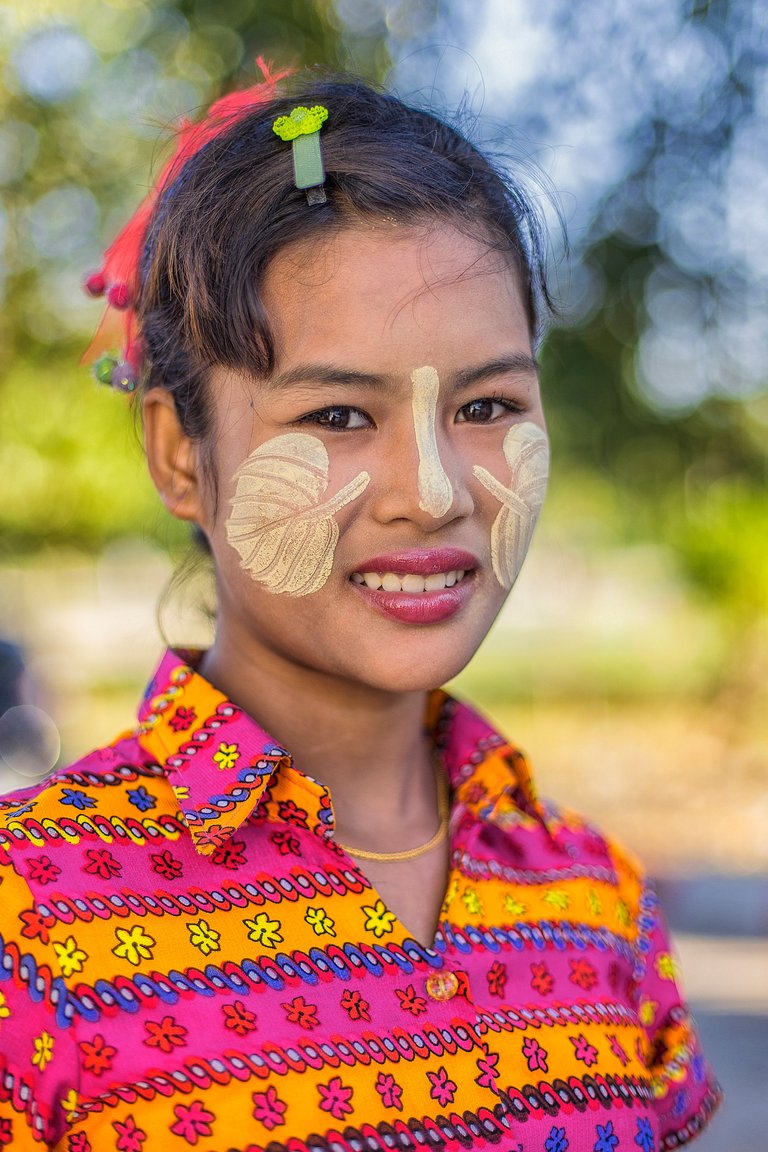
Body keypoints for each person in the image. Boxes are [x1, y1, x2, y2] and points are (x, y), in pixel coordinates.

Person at [0, 65, 720, 1151]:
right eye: (338, 413)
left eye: (487, 405)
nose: (431, 490)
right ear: (180, 457)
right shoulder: (28, 921)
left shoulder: (597, 896)